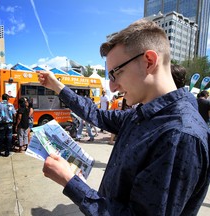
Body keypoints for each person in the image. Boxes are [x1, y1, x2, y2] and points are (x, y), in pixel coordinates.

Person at [38, 19, 210, 215]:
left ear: (149, 62)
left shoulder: (179, 135)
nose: (112, 87)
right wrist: (57, 87)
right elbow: (96, 114)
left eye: (115, 73)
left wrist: (70, 182)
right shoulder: (143, 114)